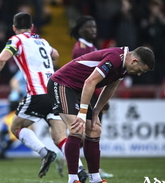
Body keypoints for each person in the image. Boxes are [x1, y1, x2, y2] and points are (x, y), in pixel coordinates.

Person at [47, 46, 155, 183]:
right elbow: (90, 81)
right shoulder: (115, 58)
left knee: (95, 128)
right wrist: (82, 113)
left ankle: (95, 178)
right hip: (61, 84)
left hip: (77, 90)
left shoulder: (123, 67)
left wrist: (96, 111)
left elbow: (111, 88)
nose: (138, 74)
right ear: (134, 61)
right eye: (140, 70)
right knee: (76, 127)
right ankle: (73, 179)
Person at [0, 12, 66, 178]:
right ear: (32, 27)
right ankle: (79, 170)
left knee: (16, 127)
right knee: (60, 136)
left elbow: (0, 60)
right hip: (55, 93)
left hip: (37, 94)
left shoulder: (16, 40)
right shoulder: (42, 41)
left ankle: (45, 153)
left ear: (14, 28)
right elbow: (56, 54)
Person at [69, 15, 113, 180]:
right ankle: (84, 167)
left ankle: (91, 168)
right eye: (90, 27)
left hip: (91, 94)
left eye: (94, 27)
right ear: (81, 30)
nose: (94, 30)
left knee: (89, 133)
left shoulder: (90, 47)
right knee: (89, 132)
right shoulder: (81, 49)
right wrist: (100, 98)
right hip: (87, 95)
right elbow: (87, 78)